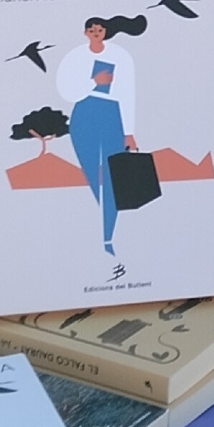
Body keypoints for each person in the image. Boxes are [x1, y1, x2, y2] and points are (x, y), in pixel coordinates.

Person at [56, 14, 144, 255]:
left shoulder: (120, 56)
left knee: (113, 174)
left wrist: (129, 131)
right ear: (85, 32)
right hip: (84, 113)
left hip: (112, 114)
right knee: (92, 174)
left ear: (105, 32)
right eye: (91, 30)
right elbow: (66, 90)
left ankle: (108, 237)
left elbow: (127, 93)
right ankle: (106, 228)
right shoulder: (75, 56)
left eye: (100, 30)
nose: (96, 33)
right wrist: (93, 82)